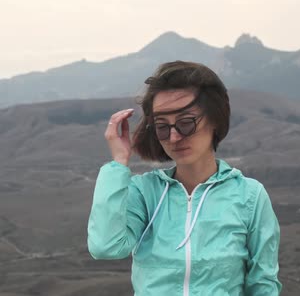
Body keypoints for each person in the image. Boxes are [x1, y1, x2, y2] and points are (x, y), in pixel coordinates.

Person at [87, 61, 282, 295]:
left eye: (186, 122)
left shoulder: (249, 196)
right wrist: (118, 163)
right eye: (162, 126)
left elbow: (263, 283)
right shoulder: (145, 192)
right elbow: (105, 247)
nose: (174, 136)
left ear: (215, 120)